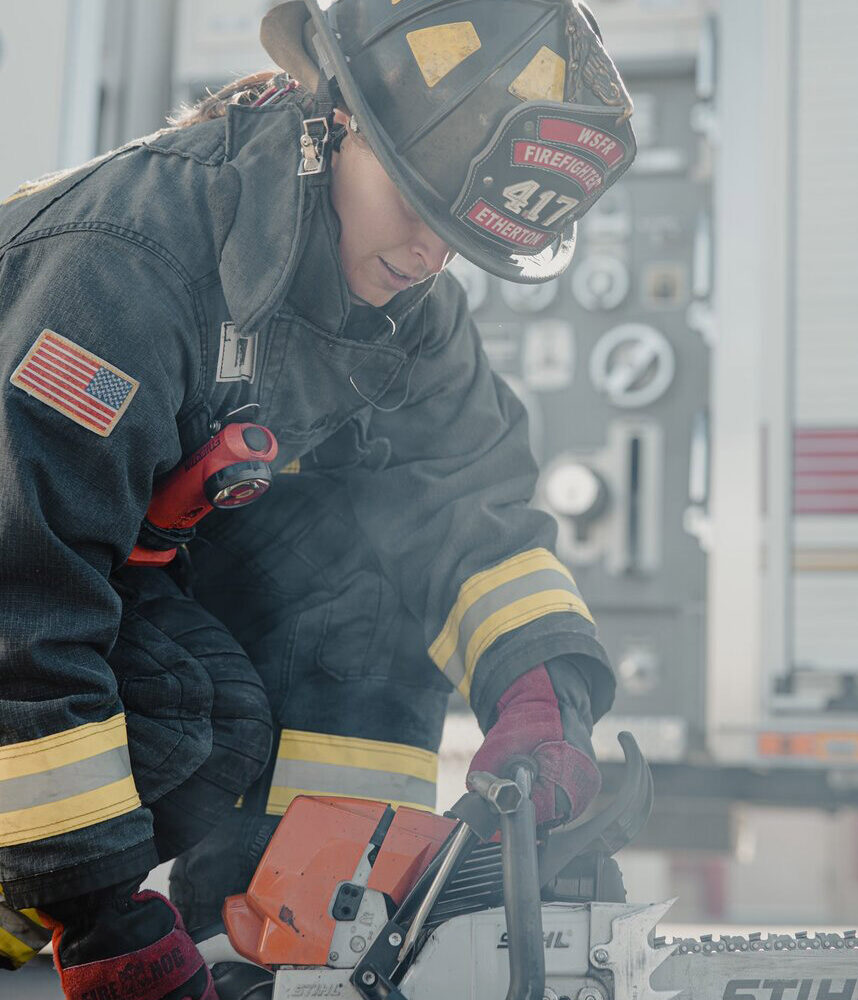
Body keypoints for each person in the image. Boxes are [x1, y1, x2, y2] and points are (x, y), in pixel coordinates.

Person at [0, 0, 636, 997]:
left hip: (92, 599)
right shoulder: (127, 266)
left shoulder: (412, 319)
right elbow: (22, 592)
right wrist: (103, 922)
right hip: (22, 616)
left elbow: (473, 516)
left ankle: (304, 944)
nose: (431, 253)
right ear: (337, 119)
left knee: (364, 580)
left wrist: (542, 696)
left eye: (460, 233)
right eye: (419, 202)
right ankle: (22, 899)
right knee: (181, 704)